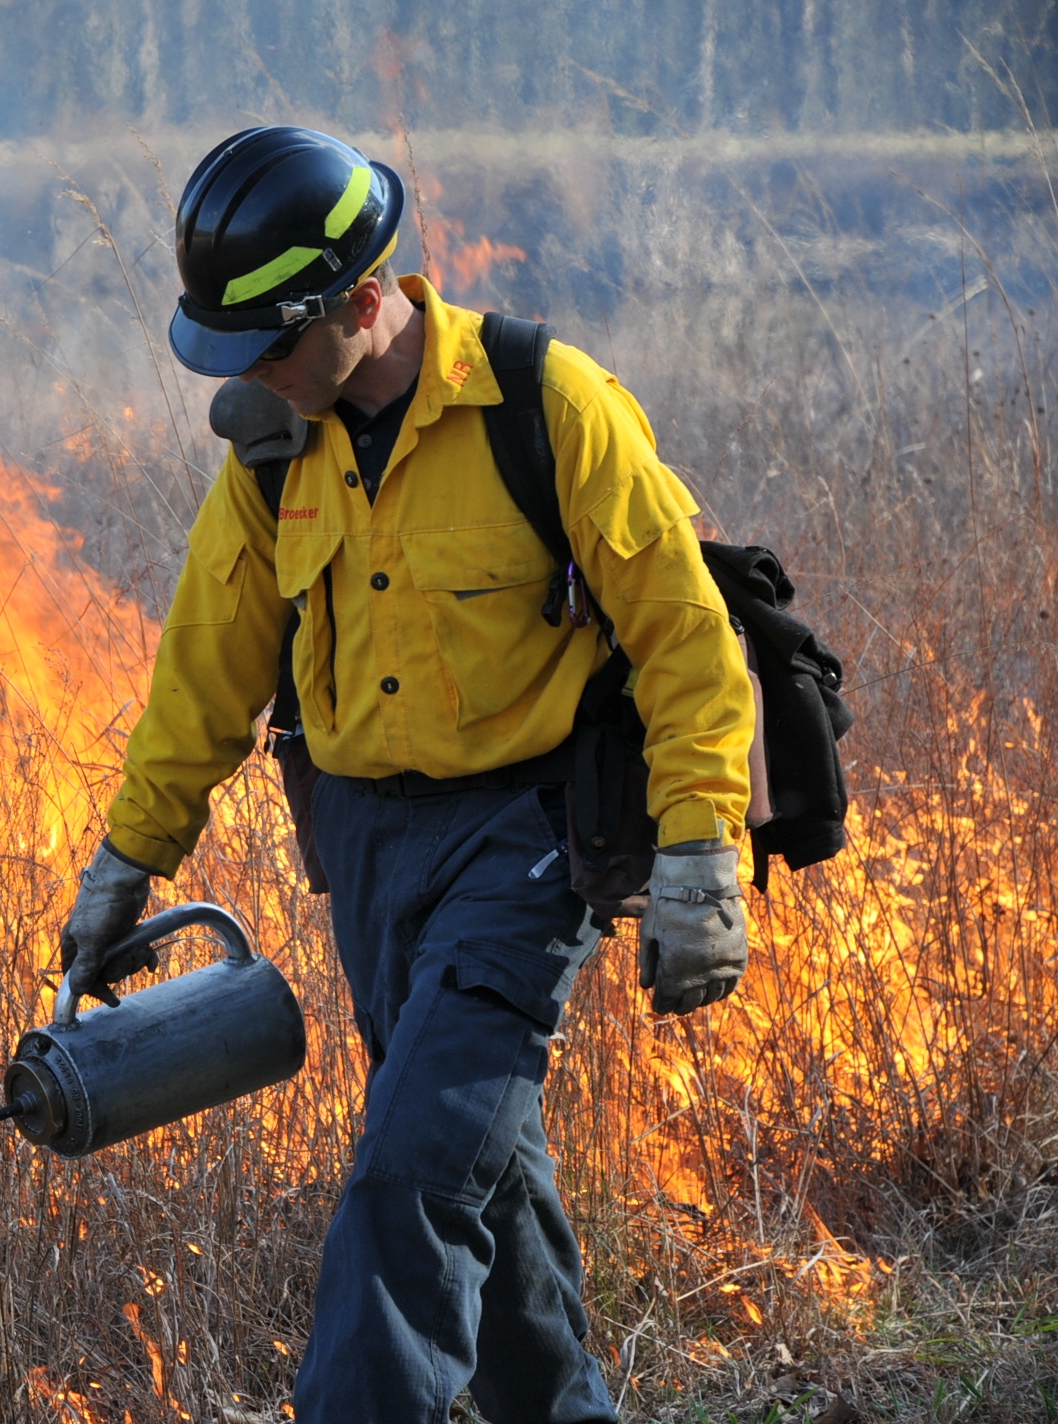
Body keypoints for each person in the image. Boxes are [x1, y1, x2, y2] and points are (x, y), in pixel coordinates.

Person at [56, 127, 755, 1424]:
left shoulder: (549, 406)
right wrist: (125, 863)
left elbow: (684, 636)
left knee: (410, 1180)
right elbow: (207, 673)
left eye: (272, 342)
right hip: (369, 854)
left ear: (364, 302)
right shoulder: (275, 453)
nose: (253, 375)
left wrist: (705, 854)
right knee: (487, 1180)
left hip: (526, 843)